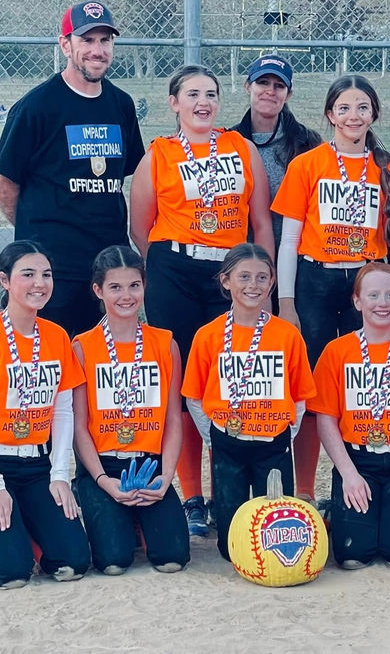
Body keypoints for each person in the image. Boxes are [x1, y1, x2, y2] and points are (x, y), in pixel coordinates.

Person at [129, 64, 274, 538]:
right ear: (174, 103)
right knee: (183, 382)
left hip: (228, 272)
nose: (202, 103)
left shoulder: (241, 148)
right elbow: (140, 226)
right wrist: (167, 268)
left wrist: (263, 282)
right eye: (191, 94)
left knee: (228, 381)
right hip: (174, 270)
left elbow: (260, 223)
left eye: (210, 94)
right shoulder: (159, 155)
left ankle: (227, 490)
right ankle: (192, 495)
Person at [271, 74, 390, 505]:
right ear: (330, 114)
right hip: (315, 279)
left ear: (374, 113)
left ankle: (356, 483)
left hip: (365, 282)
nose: (353, 116)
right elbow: (289, 240)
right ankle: (306, 489)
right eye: (344, 108)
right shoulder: (308, 165)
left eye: (362, 107)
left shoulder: (388, 170)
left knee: (359, 382)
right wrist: (286, 302)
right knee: (311, 386)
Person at [0, 1, 144, 337]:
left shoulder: (121, 104)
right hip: (54, 266)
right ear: (65, 45)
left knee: (102, 358)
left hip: (107, 262)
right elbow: (3, 184)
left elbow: (124, 175)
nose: (97, 50)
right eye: (86, 40)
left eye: (105, 40)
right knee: (52, 355)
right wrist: (39, 229)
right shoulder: (37, 106)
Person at [0, 241, 90, 588]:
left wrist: (59, 474)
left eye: (46, 275)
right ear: (5, 280)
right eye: (27, 274)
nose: (39, 283)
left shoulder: (56, 337)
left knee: (73, 563)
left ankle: (22, 524)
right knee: (10, 573)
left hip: (37, 465)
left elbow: (63, 411)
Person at [181, 244, 317, 562]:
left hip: (274, 443)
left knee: (276, 534)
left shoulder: (287, 335)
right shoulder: (208, 335)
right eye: (244, 277)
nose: (253, 285)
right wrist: (214, 434)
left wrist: (285, 432)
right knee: (231, 546)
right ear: (226, 281)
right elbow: (194, 396)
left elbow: (299, 397)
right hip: (227, 443)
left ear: (271, 283)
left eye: (261, 277)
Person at [71, 246, 190, 575]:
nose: (126, 296)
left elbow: (173, 420)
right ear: (98, 290)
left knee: (172, 559)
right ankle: (94, 502)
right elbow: (79, 427)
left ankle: (138, 519)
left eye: (134, 285)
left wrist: (166, 478)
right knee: (114, 561)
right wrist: (102, 480)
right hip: (104, 466)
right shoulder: (82, 347)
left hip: (149, 465)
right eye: (115, 287)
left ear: (144, 286)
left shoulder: (165, 344)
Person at [309, 263, 390, 570]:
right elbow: (325, 419)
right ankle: (340, 508)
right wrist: (348, 475)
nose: (383, 303)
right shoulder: (336, 351)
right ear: (357, 301)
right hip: (357, 460)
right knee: (353, 556)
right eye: (373, 295)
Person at [231, 53, 321, 253]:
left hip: (298, 254)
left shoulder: (307, 143)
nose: (270, 91)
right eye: (263, 82)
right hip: (244, 256)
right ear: (248, 86)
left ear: (288, 94)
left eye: (279, 86)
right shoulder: (229, 142)